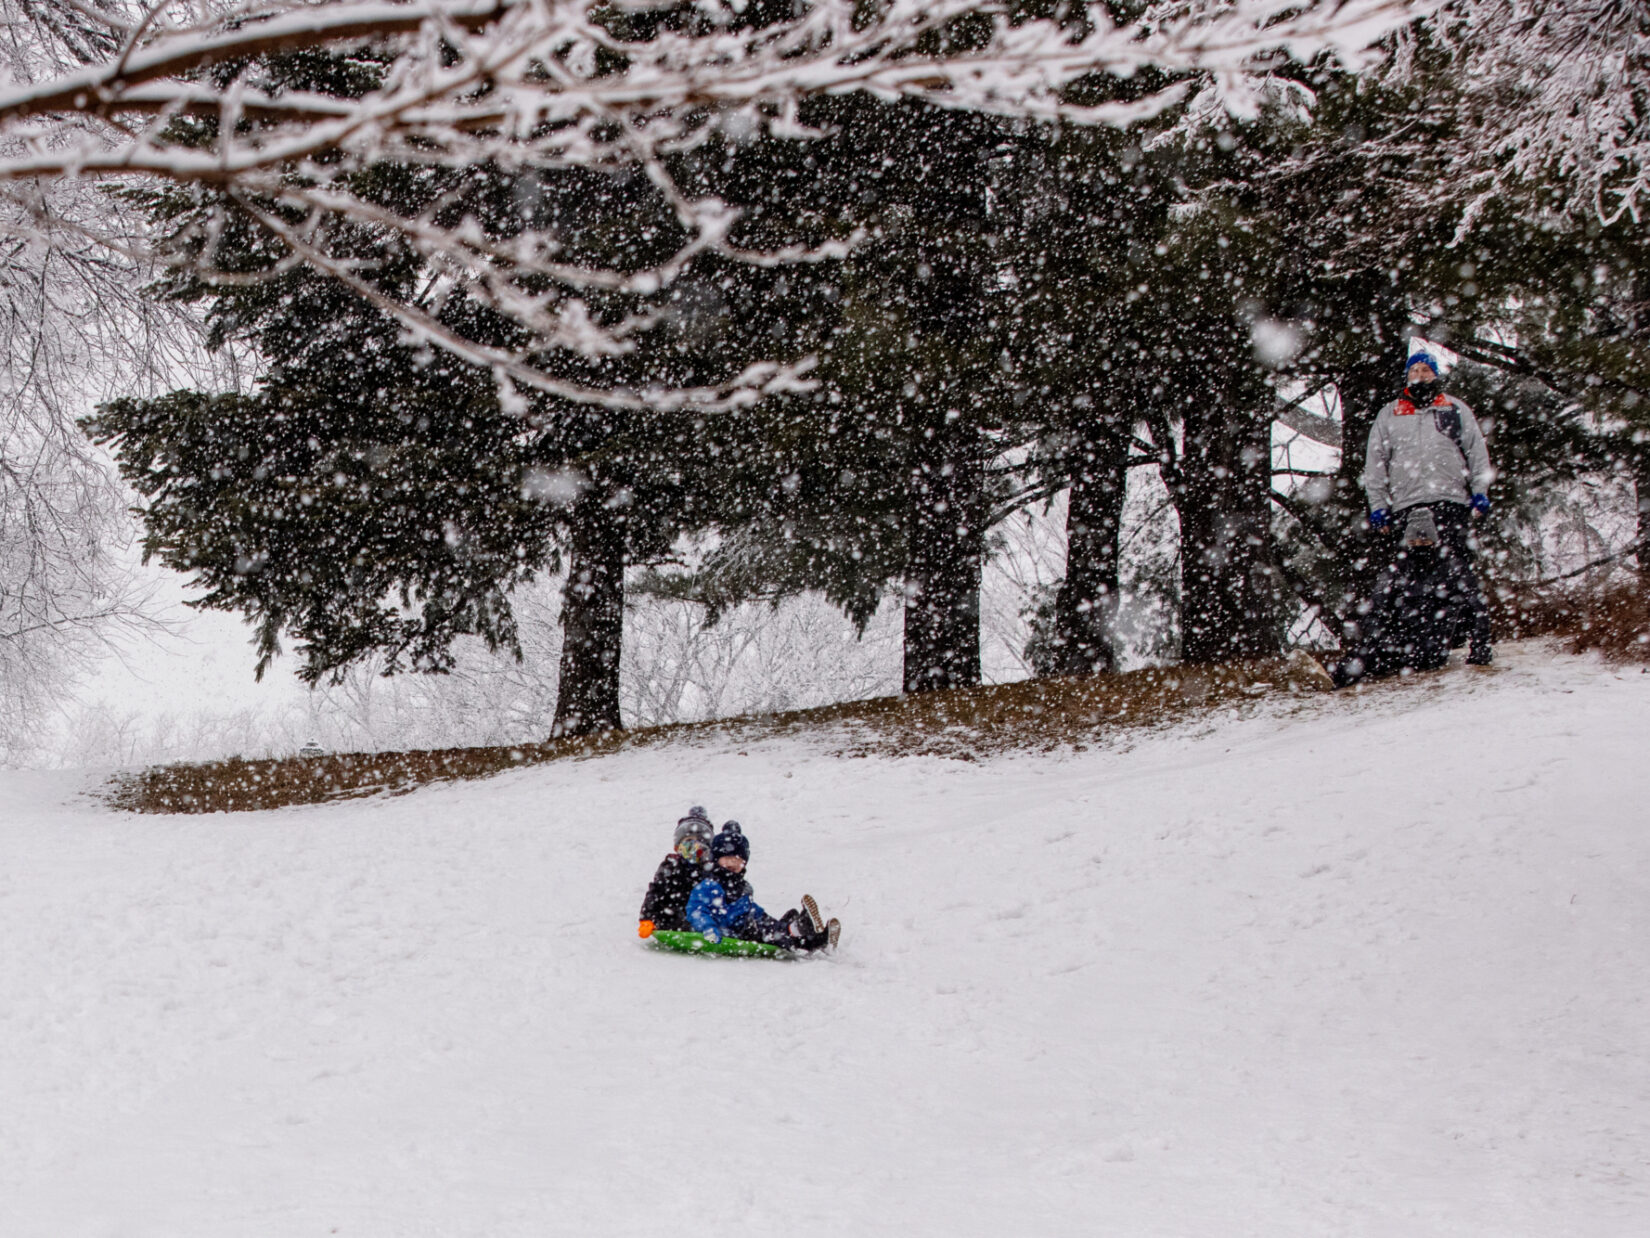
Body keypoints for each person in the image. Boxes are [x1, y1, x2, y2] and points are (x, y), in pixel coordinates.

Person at [1341, 349, 1496, 684]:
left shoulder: (1454, 409)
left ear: (1436, 375)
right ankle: (1413, 648)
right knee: (1405, 583)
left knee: (1459, 573)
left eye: (1427, 370)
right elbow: (1375, 464)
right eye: (1416, 370)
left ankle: (1478, 643)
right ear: (1407, 377)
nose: (1421, 375)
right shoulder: (1390, 415)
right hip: (1406, 509)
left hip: (1450, 502)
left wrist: (1479, 490)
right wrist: (1378, 505)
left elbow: (1477, 452)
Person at [684, 823, 832, 951]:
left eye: (738, 860)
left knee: (767, 924)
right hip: (724, 931)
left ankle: (812, 937)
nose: (733, 863)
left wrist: (764, 917)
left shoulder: (743, 887)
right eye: (728, 859)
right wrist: (708, 927)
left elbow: (750, 908)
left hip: (742, 927)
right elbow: (696, 910)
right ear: (716, 859)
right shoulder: (709, 885)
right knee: (763, 932)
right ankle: (796, 929)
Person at [638, 807, 715, 936]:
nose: (693, 849)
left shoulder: (709, 870)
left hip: (701, 920)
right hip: (671, 917)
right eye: (688, 843)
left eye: (699, 844)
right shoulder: (670, 866)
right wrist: (647, 918)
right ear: (677, 847)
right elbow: (656, 892)